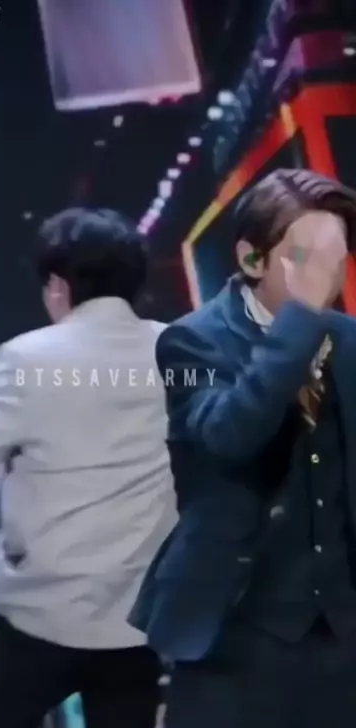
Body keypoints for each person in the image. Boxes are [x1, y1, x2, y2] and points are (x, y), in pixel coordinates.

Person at [0, 208, 177, 728]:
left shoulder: (29, 358)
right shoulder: (180, 351)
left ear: (58, 285)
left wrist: (14, 503)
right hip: (140, 622)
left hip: (43, 617)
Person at [129, 169, 356, 728]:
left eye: (335, 259)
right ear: (252, 259)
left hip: (341, 638)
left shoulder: (349, 339)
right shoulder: (190, 341)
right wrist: (299, 322)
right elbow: (229, 435)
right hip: (233, 634)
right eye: (305, 258)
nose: (325, 278)